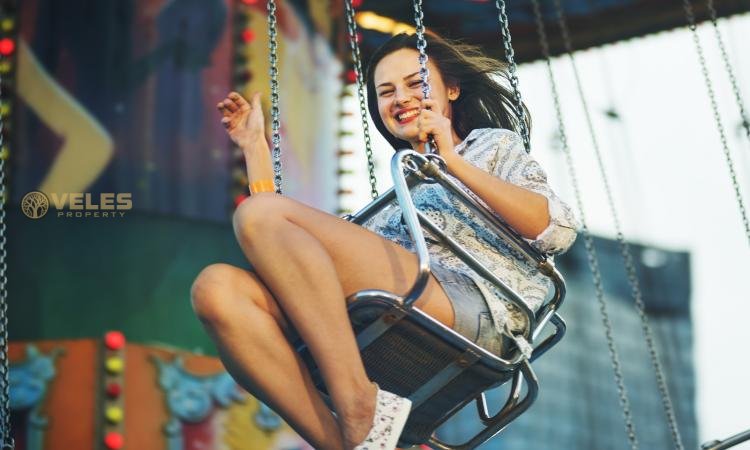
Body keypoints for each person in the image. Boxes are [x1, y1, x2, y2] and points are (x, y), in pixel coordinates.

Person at [190, 32, 579, 450]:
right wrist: (254, 150)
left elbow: (556, 229)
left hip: (474, 302)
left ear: (451, 88)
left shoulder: (490, 147)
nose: (401, 99)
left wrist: (450, 159)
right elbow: (279, 242)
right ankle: (347, 441)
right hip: (392, 306)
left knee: (259, 214)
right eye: (386, 91)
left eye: (416, 84)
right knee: (217, 289)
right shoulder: (394, 200)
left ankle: (360, 406)